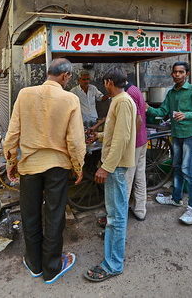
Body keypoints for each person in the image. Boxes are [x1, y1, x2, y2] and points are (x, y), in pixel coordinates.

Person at [3, 58, 86, 284]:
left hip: (29, 166)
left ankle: (34, 263)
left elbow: (12, 134)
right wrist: (78, 166)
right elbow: (76, 140)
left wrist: (11, 163)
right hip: (57, 168)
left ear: (48, 72)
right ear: (66, 76)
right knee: (54, 214)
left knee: (29, 214)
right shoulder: (70, 99)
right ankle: (51, 268)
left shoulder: (25, 94)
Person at [84, 67, 136, 282]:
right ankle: (114, 251)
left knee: (115, 217)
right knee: (116, 212)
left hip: (115, 166)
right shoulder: (120, 100)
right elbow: (116, 133)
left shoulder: (122, 102)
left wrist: (106, 167)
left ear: (108, 82)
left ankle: (113, 264)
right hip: (115, 164)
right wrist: (99, 136)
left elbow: (122, 138)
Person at [146, 62, 192, 225]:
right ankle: (176, 198)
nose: (177, 75)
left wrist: (187, 115)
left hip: (190, 135)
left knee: (188, 171)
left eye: (181, 72)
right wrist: (147, 107)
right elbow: (162, 111)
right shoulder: (171, 93)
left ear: (187, 74)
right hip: (176, 135)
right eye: (175, 72)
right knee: (176, 167)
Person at [125, 82, 148, 221]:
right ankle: (140, 210)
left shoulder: (128, 94)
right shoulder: (135, 89)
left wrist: (128, 140)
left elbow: (137, 119)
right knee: (139, 175)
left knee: (127, 178)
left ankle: (121, 213)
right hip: (142, 139)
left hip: (134, 142)